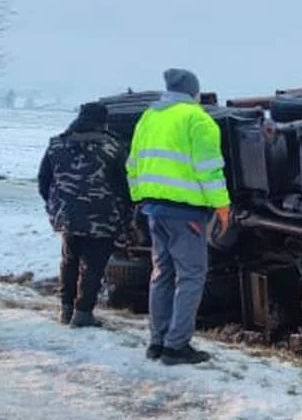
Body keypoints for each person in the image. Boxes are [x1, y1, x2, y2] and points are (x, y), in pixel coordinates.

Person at [127, 68, 231, 366]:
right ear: (193, 92)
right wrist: (222, 207)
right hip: (186, 214)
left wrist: (139, 198)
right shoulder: (197, 119)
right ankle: (177, 346)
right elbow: (209, 170)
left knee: (161, 275)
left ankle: (157, 342)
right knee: (191, 277)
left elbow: (132, 164)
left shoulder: (149, 117)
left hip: (154, 211)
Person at [37, 102, 132, 328]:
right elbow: (125, 185)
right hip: (102, 216)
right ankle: (83, 313)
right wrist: (125, 211)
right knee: (93, 266)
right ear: (103, 121)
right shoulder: (113, 147)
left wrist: (56, 205)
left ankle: (66, 309)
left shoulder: (56, 144)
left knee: (69, 261)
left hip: (67, 215)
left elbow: (43, 181)